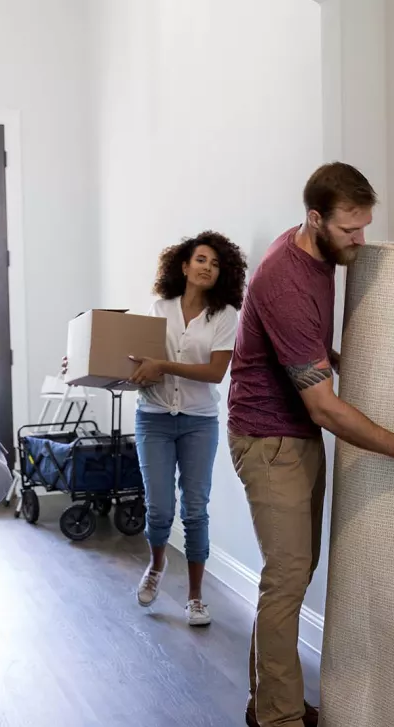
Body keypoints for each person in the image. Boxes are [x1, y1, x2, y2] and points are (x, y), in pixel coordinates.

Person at [227, 162, 394, 727]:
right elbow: (325, 407)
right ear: (315, 219)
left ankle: (270, 701)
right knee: (286, 578)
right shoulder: (285, 275)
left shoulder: (317, 256)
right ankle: (278, 720)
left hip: (292, 435)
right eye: (350, 230)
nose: (361, 241)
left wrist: (327, 355)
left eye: (365, 227)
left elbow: (294, 340)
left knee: (293, 575)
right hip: (268, 438)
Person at [127, 231, 247, 626]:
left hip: (198, 423)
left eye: (214, 263)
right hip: (154, 418)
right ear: (183, 265)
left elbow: (215, 372)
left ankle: (195, 598)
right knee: (160, 508)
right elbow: (138, 363)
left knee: (196, 511)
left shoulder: (225, 316)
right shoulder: (159, 309)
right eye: (201, 260)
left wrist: (163, 366)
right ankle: (157, 566)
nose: (207, 267)